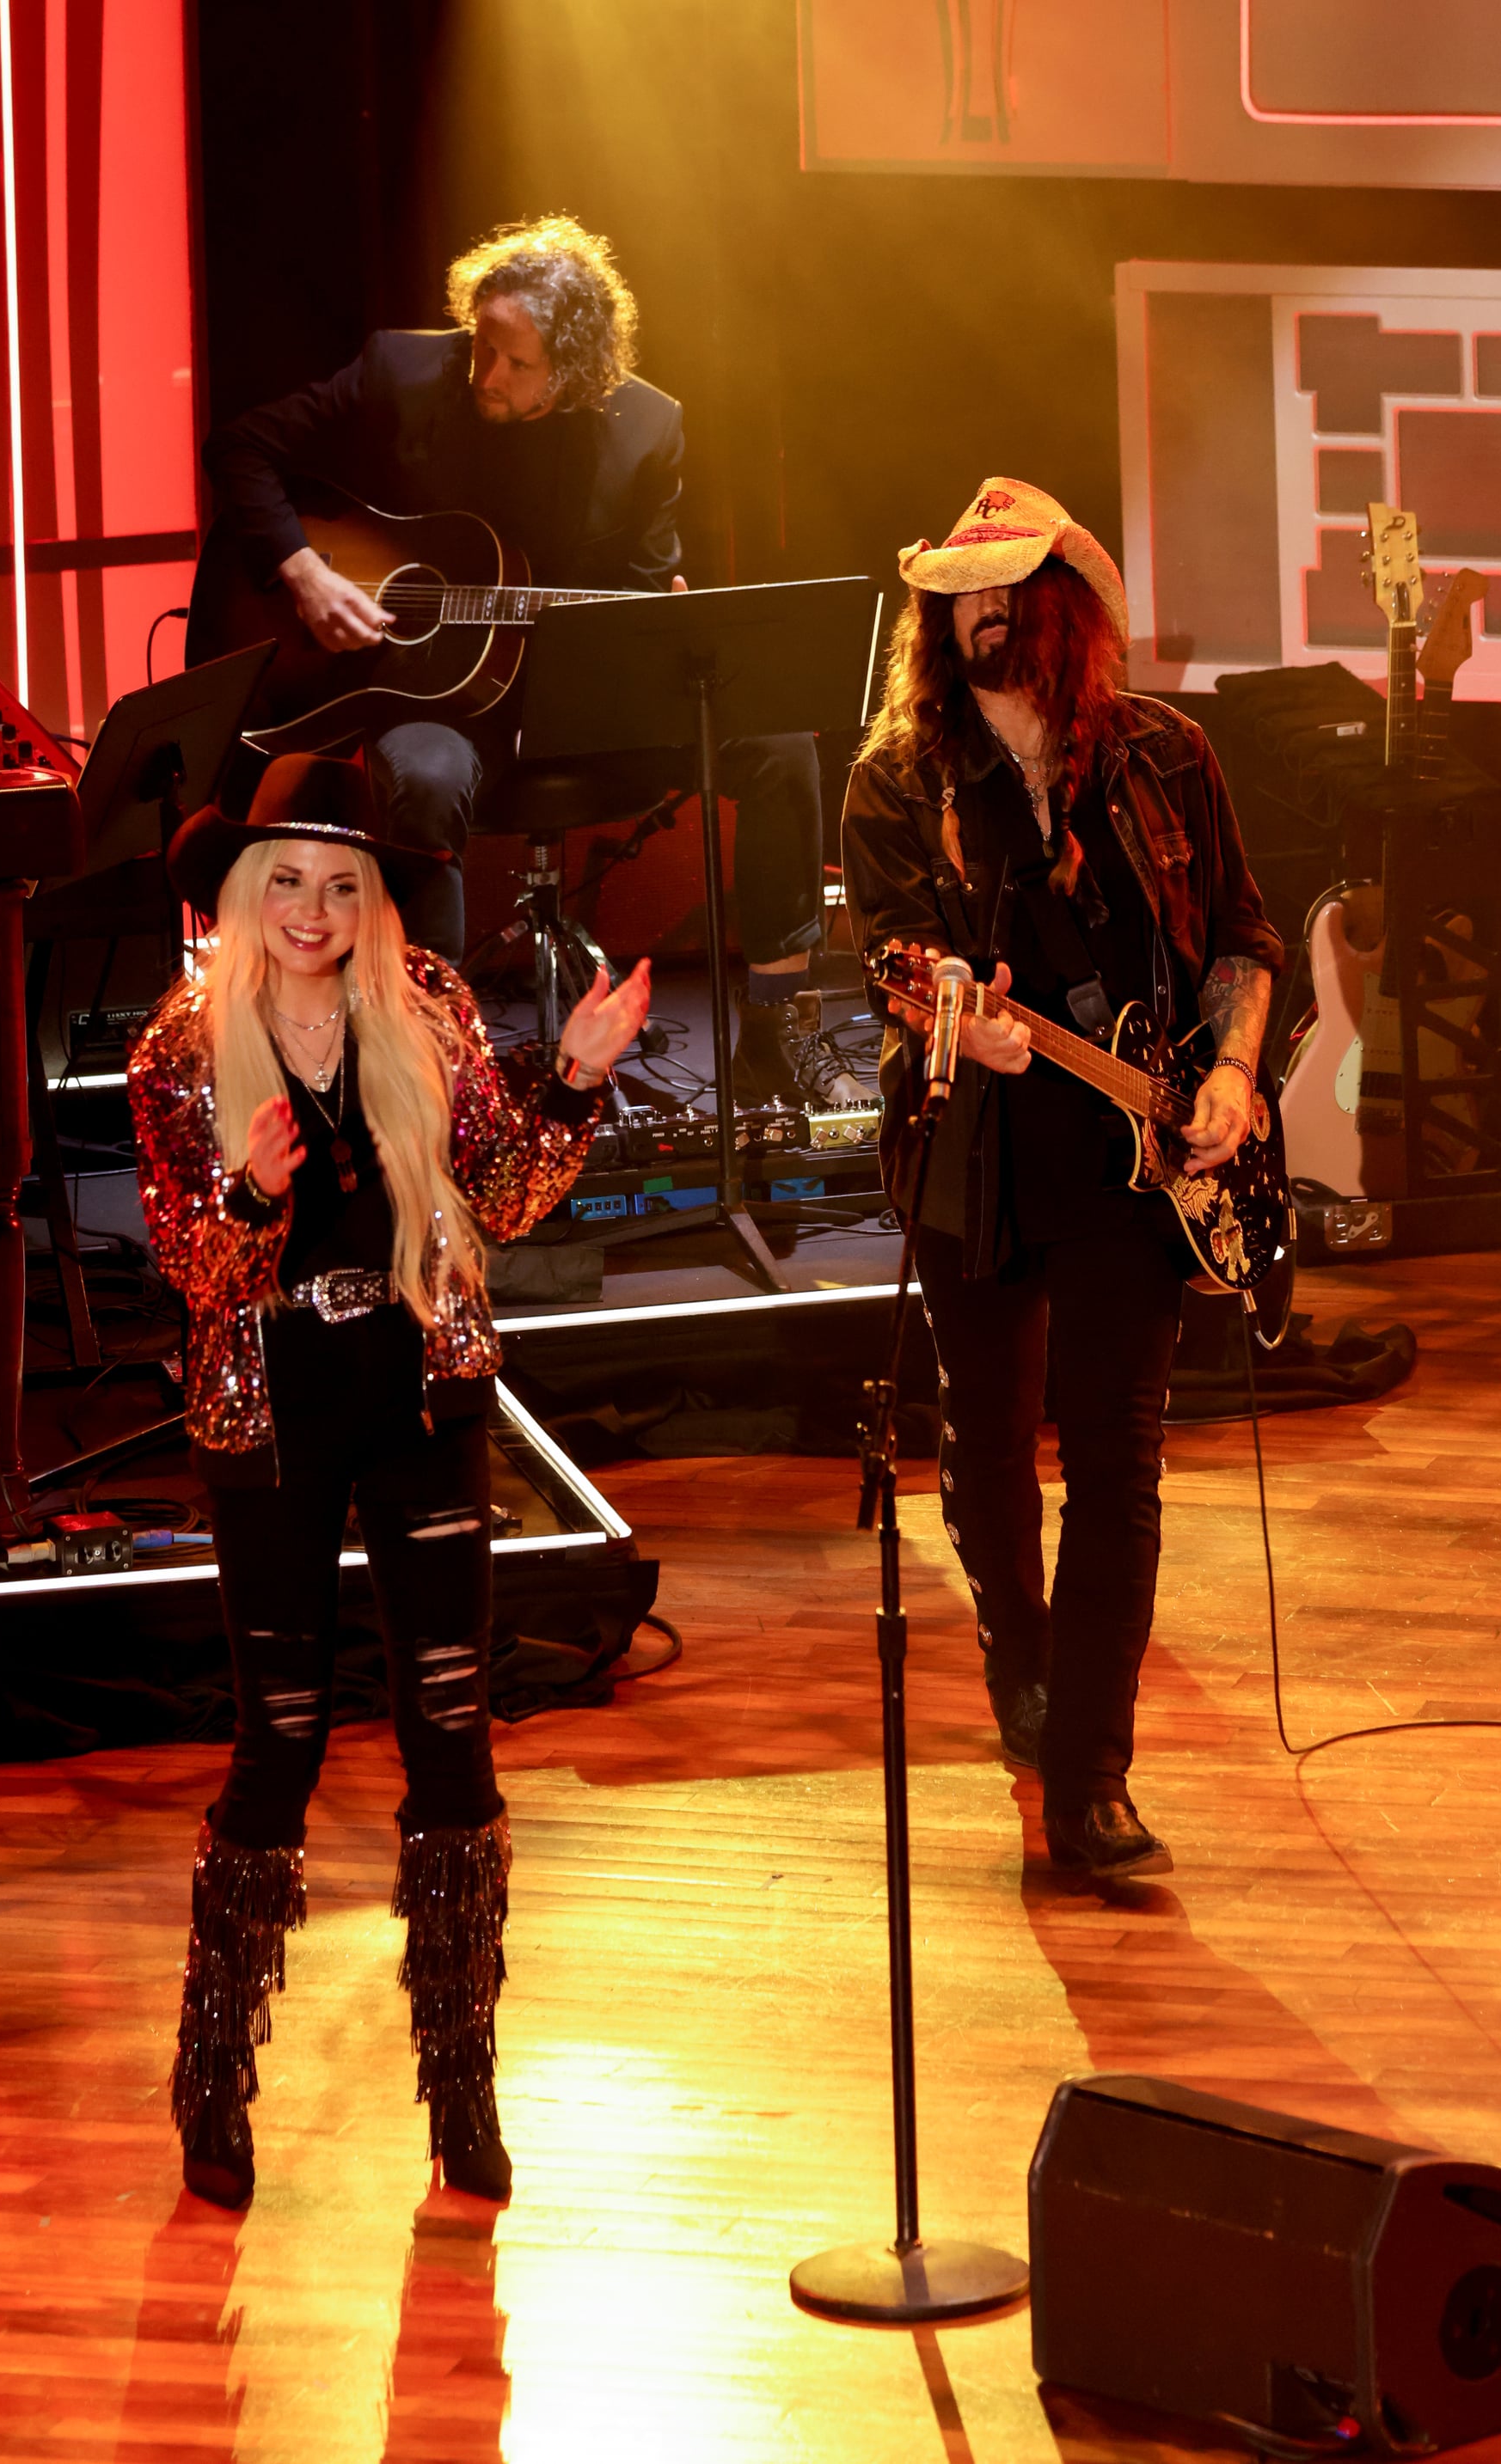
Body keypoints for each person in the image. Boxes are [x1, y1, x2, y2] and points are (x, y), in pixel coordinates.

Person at [127, 750, 650, 2211]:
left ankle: (462, 2089)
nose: (311, 908)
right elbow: (190, 1268)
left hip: (417, 1385)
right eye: (285, 880)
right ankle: (213, 2077)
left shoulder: (426, 1012)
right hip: (271, 1410)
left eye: (340, 883)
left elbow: (498, 1195)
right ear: (243, 891)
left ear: (372, 900)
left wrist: (582, 1076)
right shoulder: (178, 1043)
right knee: (278, 1744)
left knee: (451, 1736)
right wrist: (250, 1188)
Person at [841, 479, 1283, 1881]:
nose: (978, 613)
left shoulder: (1163, 753)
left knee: (1117, 1465)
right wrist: (944, 1017)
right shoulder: (898, 779)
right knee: (987, 1461)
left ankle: (1089, 1776)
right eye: (955, 595)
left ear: (1062, 613)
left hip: (1133, 1174)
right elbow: (894, 961)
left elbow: (1241, 938)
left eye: (1006, 589)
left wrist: (1228, 1076)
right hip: (976, 1162)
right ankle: (1014, 1655)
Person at [201, 211, 866, 1108]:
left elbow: (640, 585)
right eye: (482, 346)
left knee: (778, 744)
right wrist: (305, 571)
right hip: (434, 692)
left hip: (578, 699)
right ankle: (437, 1060)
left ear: (576, 373)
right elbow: (242, 447)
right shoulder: (404, 368)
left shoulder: (641, 428)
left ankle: (777, 1031)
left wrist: (656, 618)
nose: (485, 374)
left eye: (516, 364)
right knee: (426, 777)